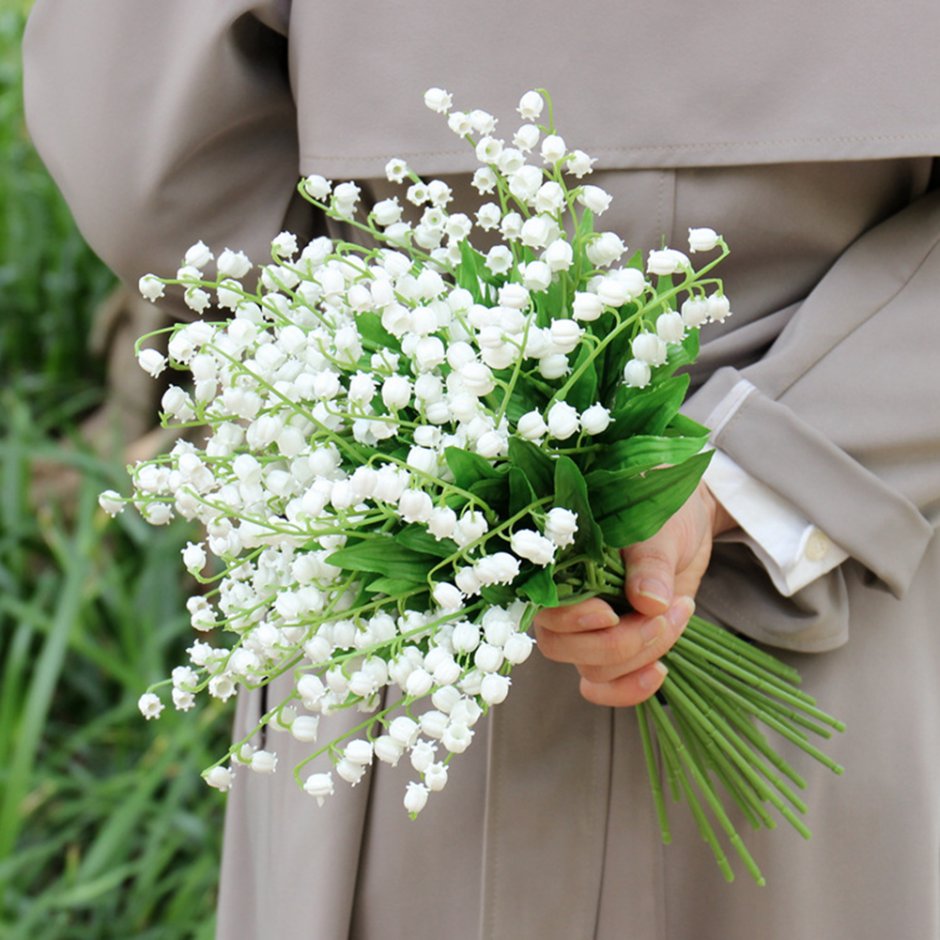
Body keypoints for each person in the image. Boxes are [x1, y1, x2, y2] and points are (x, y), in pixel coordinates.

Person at [23, 2, 940, 937]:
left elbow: (136, 142)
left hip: (399, 577)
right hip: (845, 552)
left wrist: (380, 367)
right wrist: (758, 465)